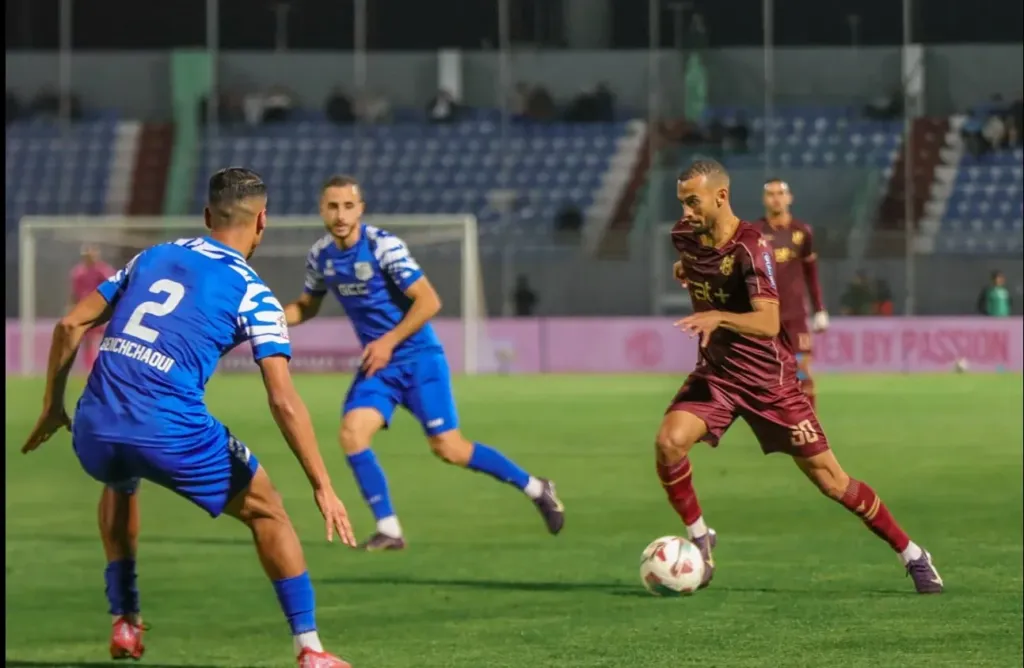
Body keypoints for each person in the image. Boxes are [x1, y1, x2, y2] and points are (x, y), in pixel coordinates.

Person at [21, 168, 357, 667]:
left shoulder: (153, 256)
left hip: (94, 425)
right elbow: (283, 399)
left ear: (206, 216)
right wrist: (323, 484)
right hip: (170, 431)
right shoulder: (254, 293)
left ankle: (126, 621)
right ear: (261, 220)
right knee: (267, 511)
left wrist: (53, 406)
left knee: (119, 478)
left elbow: (71, 325)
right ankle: (310, 651)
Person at [665, 159, 942, 594]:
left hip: (768, 382)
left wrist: (717, 315)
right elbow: (690, 267)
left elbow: (768, 323)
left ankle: (912, 553)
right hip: (717, 375)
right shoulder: (684, 236)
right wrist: (687, 274)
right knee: (669, 442)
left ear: (721, 197)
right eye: (682, 203)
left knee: (833, 482)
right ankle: (700, 535)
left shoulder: (751, 246)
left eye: (693, 202)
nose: (686, 213)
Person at [283, 175, 565, 551]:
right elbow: (306, 306)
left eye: (348, 206)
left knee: (448, 448)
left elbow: (429, 301)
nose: (340, 214)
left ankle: (535, 487)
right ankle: (390, 529)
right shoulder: (321, 256)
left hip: (417, 359)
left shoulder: (382, 247)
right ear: (321, 209)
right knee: (352, 434)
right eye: (332, 206)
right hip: (380, 366)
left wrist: (387, 341)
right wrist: (265, 318)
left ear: (361, 209)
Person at [753, 179, 828, 409]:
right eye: (771, 194)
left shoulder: (802, 231)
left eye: (780, 193)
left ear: (789, 197)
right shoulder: (753, 233)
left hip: (795, 317)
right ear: (764, 199)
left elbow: (810, 272)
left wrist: (820, 309)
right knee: (767, 378)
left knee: (803, 372)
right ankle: (778, 426)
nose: (776, 198)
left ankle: (810, 428)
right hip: (765, 316)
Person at [69, 245, 115, 372]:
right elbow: (74, 293)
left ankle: (103, 366)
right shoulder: (78, 272)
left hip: (101, 309)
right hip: (85, 310)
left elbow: (112, 287)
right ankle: (90, 367)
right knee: (88, 340)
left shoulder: (103, 270)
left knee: (105, 338)